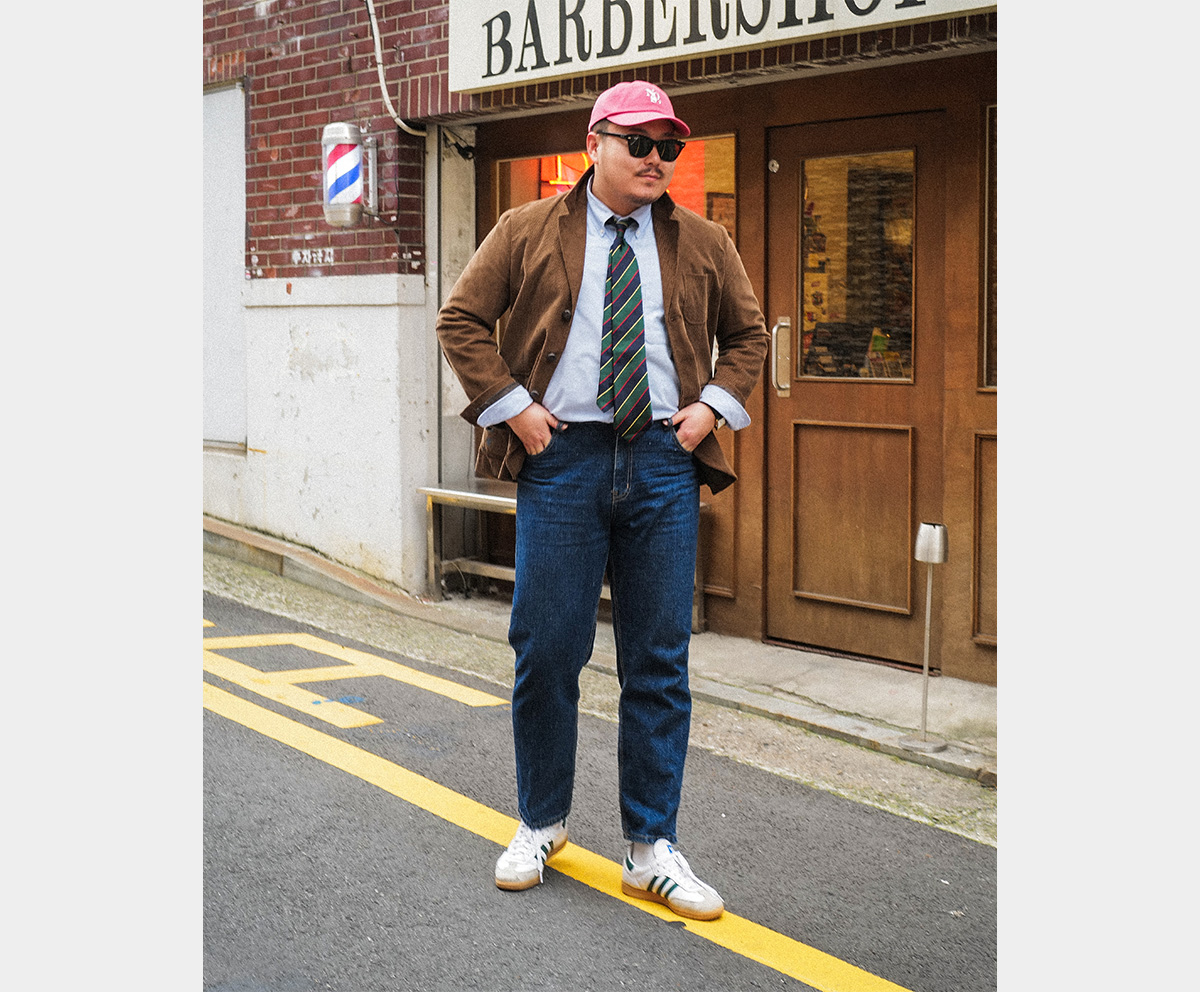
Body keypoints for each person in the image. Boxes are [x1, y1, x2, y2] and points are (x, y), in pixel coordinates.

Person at [435, 81, 768, 921]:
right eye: (640, 142)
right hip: (565, 458)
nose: (658, 159)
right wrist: (518, 411)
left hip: (663, 459)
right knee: (547, 652)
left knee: (658, 660)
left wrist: (708, 413)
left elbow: (750, 336)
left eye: (670, 147)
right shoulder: (527, 229)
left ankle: (651, 847)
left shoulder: (702, 239)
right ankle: (541, 822)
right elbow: (461, 321)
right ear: (596, 143)